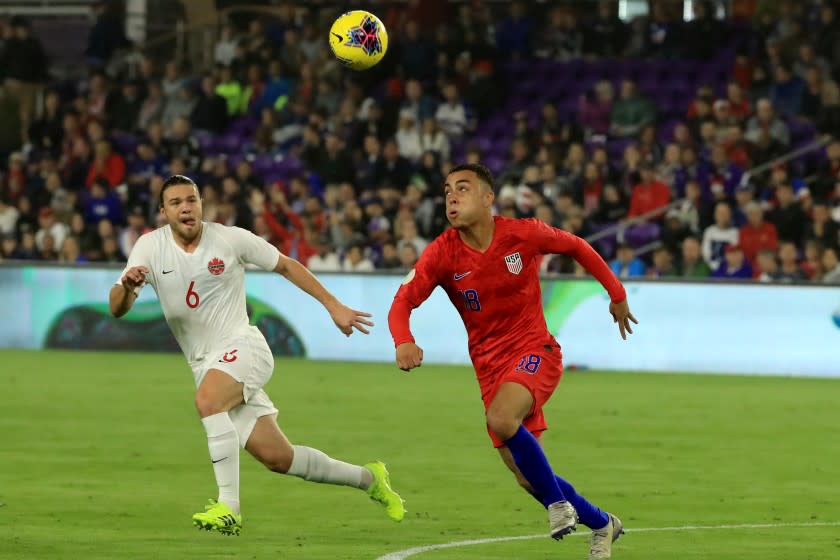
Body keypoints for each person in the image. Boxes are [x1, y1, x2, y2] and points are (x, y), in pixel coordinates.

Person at [109, 175, 404, 536]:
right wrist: (127, 287)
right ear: (163, 211)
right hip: (206, 365)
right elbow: (117, 308)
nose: (186, 207)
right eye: (175, 202)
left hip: (244, 348)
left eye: (192, 199)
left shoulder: (230, 239)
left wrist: (334, 306)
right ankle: (369, 478)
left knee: (207, 401)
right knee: (279, 457)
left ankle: (229, 507)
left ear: (202, 203)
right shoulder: (149, 248)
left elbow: (286, 265)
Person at [387, 164, 634, 559]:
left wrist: (616, 293)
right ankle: (604, 523)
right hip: (490, 371)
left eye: (463, 189)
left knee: (501, 420)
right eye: (447, 190)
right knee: (526, 476)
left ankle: (559, 506)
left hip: (536, 351)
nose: (452, 196)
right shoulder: (442, 253)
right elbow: (401, 303)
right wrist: (404, 341)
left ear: (488, 198)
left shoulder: (522, 233)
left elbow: (577, 246)